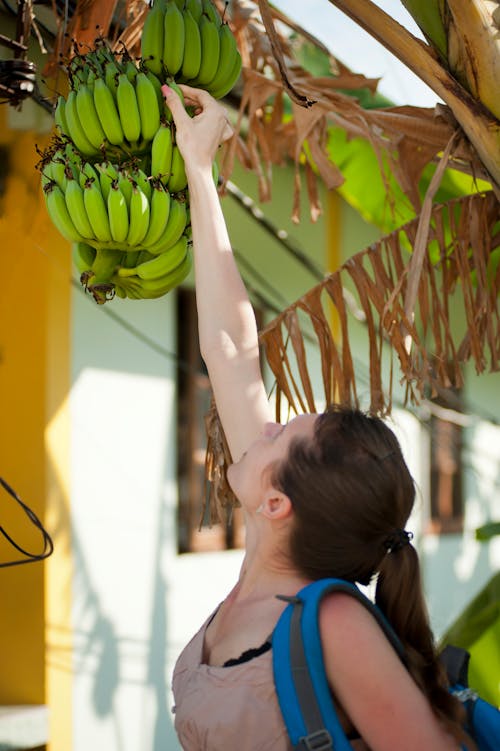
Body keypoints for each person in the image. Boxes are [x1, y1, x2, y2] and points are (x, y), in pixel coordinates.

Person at [161, 83, 473, 751]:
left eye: (278, 434)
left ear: (278, 502)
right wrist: (199, 168)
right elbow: (232, 351)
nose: (264, 424)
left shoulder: (334, 624)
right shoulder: (268, 545)